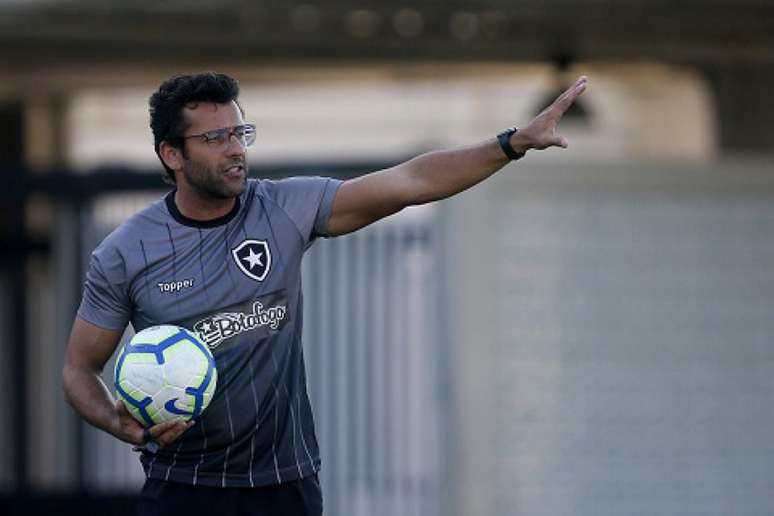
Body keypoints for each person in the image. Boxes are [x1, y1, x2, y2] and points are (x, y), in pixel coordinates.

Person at [62, 71, 587, 515]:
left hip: (285, 486)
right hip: (181, 489)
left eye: (239, 132)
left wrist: (510, 144)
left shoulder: (283, 210)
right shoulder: (126, 252)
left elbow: (409, 182)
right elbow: (79, 370)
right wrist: (118, 422)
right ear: (171, 154)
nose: (236, 149)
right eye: (216, 139)